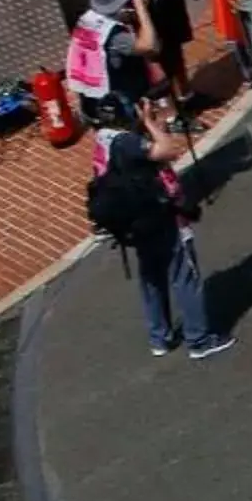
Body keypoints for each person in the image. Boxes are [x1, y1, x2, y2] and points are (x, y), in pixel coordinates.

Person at [85, 107, 230, 360]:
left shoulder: (103, 142)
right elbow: (168, 150)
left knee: (152, 280)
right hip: (162, 217)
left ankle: (159, 337)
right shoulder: (127, 142)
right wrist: (151, 123)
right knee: (184, 276)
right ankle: (199, 340)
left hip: (137, 223)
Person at [64, 0, 161, 126]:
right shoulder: (116, 36)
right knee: (132, 134)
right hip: (119, 97)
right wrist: (141, 7)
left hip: (93, 95)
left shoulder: (87, 19)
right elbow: (149, 45)